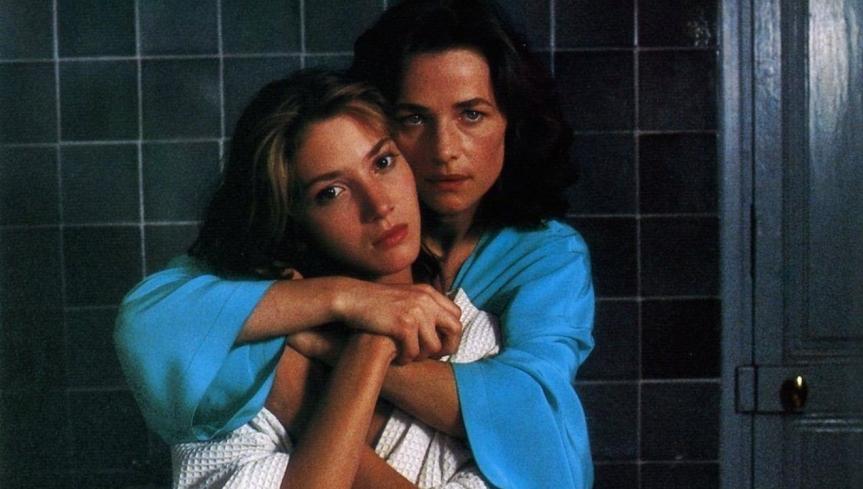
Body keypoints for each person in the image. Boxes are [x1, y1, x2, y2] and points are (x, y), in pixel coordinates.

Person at [115, 1, 595, 487]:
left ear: (513, 119)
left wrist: (331, 350)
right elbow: (156, 319)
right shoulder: (255, 325)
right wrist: (350, 302)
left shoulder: (536, 268)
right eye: (414, 119)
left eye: (471, 114)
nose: (445, 151)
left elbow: (537, 432)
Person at [162, 69, 496, 488]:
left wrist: (320, 391)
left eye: (383, 162)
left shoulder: (478, 340)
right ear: (291, 222)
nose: (379, 205)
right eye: (331, 192)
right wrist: (370, 344)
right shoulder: (242, 370)